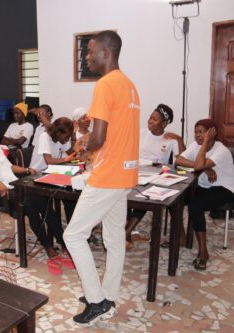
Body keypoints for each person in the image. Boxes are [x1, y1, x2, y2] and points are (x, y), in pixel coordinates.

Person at [63, 30, 140, 326]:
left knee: (73, 235)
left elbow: (98, 137)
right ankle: (107, 294)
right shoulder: (129, 85)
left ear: (106, 53)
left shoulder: (106, 84)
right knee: (113, 237)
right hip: (125, 173)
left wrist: (82, 146)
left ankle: (96, 300)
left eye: (90, 51)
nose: (86, 57)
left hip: (107, 174)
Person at [0, 123, 71, 274]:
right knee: (31, 205)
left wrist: (26, 170)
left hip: (14, 186)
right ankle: (48, 246)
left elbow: (10, 167)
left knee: (44, 202)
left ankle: (63, 242)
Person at [175, 119, 234, 270]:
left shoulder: (221, 150)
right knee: (176, 198)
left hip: (224, 188)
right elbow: (178, 160)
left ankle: (203, 252)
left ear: (211, 133)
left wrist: (202, 161)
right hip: (204, 186)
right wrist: (204, 167)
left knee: (195, 206)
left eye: (201, 132)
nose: (197, 136)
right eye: (196, 132)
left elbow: (199, 164)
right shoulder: (196, 145)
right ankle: (182, 237)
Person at [125, 104, 186, 248]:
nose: (149, 121)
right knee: (125, 192)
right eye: (150, 118)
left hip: (155, 176)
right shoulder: (140, 133)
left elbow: (182, 159)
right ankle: (126, 230)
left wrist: (179, 139)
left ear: (164, 123)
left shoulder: (170, 139)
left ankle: (126, 231)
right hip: (136, 172)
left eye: (154, 119)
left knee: (148, 196)